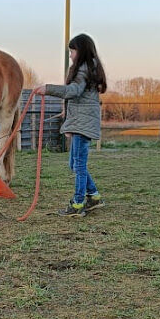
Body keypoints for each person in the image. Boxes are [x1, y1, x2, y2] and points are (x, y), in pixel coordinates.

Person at [34, 33, 107, 216]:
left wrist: (48, 89)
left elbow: (73, 91)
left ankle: (78, 204)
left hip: (83, 124)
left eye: (72, 51)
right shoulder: (88, 69)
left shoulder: (84, 70)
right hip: (80, 122)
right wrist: (68, 119)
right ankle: (94, 196)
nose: (71, 55)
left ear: (81, 51)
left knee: (79, 165)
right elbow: (80, 99)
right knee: (74, 164)